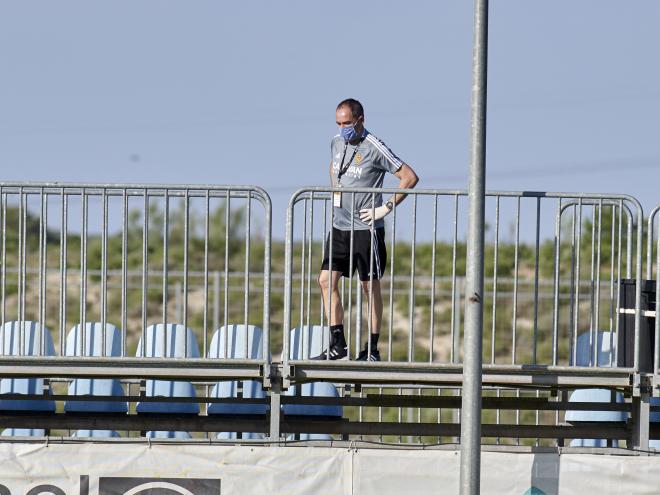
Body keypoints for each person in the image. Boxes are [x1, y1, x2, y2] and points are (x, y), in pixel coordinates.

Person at [313, 98, 419, 361]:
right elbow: (333, 166)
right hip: (339, 226)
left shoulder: (374, 147)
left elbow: (409, 176)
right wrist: (336, 190)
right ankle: (337, 343)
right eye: (338, 123)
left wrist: (386, 208)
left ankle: (372, 349)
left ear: (360, 120)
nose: (342, 128)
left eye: (347, 123)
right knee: (326, 281)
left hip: (365, 228)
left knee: (369, 287)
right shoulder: (336, 142)